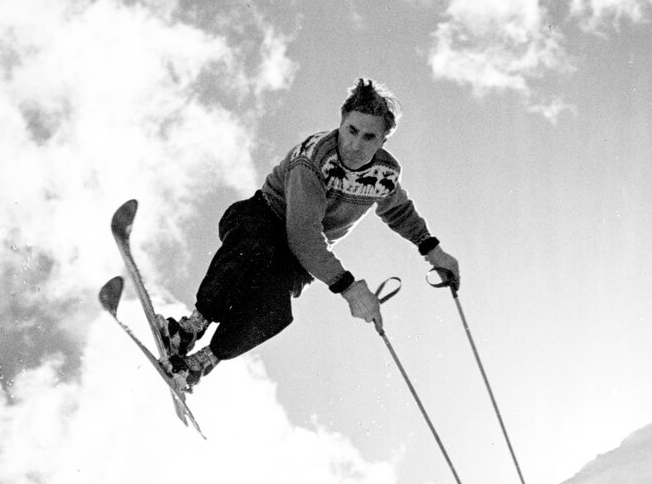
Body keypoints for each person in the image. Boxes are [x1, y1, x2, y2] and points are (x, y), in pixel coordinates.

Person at [158, 78, 460, 391]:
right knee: (255, 247)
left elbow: (398, 211)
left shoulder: (384, 174)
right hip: (266, 216)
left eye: (369, 137)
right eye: (352, 130)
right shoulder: (314, 158)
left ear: (382, 141)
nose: (356, 145)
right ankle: (192, 327)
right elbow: (303, 235)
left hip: (298, 257)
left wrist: (433, 252)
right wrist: (349, 288)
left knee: (276, 307)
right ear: (341, 123)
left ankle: (201, 362)